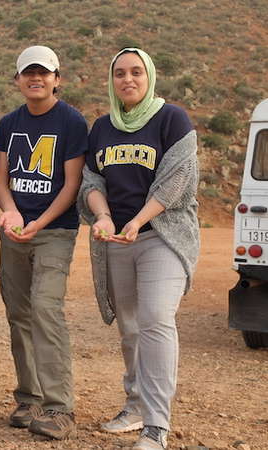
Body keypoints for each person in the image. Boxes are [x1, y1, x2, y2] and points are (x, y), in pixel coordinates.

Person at [77, 47, 199, 450]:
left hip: (161, 235)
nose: (128, 79)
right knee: (129, 327)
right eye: (120, 73)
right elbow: (92, 181)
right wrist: (104, 217)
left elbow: (176, 181)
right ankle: (134, 405)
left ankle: (156, 426)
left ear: (149, 77)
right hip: (117, 238)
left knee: (156, 320)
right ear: (112, 80)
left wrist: (138, 220)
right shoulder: (102, 127)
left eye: (136, 72)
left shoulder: (171, 119)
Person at [0, 45, 89, 440]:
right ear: (17, 80)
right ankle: (29, 397)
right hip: (15, 231)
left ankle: (58, 407)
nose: (36, 79)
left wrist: (39, 222)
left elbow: (72, 185)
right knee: (19, 313)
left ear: (56, 79)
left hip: (55, 231)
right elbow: (2, 179)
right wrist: (11, 213)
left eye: (43, 73)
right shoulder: (8, 123)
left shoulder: (71, 122)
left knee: (46, 309)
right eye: (28, 73)